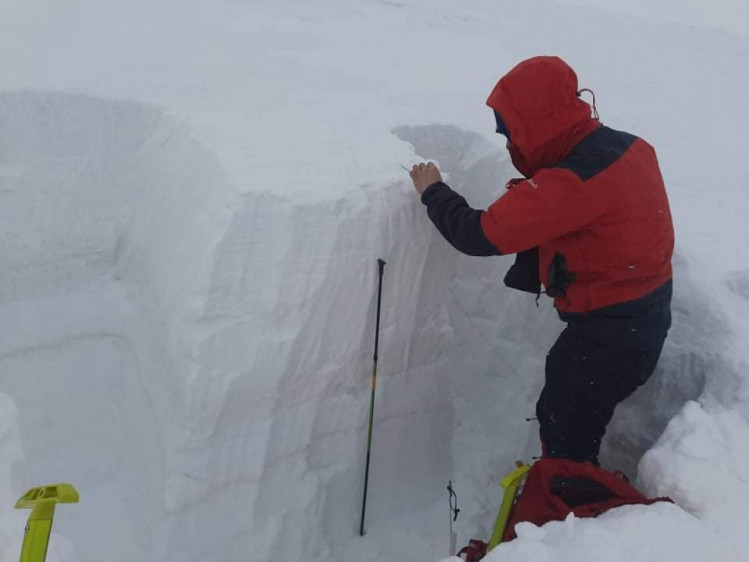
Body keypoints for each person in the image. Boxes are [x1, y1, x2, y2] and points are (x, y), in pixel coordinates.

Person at [409, 56, 674, 466]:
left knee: (567, 429)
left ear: (534, 124)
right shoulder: (629, 145)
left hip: (610, 334)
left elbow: (478, 234)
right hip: (645, 313)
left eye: (509, 129)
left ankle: (570, 506)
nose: (507, 140)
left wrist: (433, 191)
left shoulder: (569, 183)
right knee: (569, 412)